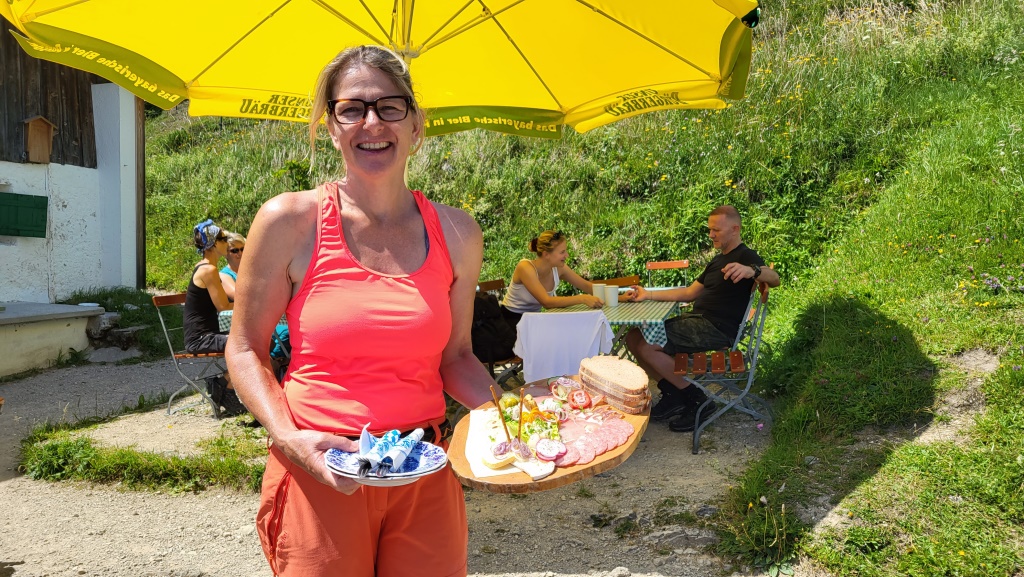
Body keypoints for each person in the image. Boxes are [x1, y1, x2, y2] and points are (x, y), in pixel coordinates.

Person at [224, 45, 493, 577]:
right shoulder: (289, 221)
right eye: (352, 109)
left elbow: (457, 358)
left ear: (416, 125)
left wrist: (516, 419)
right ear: (331, 126)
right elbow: (245, 348)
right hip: (321, 468)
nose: (372, 122)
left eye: (390, 106)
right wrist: (289, 439)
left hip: (423, 472)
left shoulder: (458, 232)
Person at [624, 205, 780, 433]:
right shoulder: (717, 261)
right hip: (698, 322)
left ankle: (698, 400)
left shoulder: (745, 256)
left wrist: (753, 271)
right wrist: (647, 294)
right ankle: (674, 395)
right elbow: (689, 293)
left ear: (735, 229)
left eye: (716, 230)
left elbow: (774, 278)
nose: (711, 235)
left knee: (647, 346)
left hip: (715, 328)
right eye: (710, 229)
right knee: (633, 336)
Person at [184, 219, 247, 417]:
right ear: (213, 244)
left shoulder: (206, 267)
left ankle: (222, 384)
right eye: (222, 239)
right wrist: (252, 305)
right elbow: (223, 306)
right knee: (249, 344)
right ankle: (224, 386)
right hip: (201, 339)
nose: (226, 242)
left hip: (207, 334)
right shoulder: (208, 270)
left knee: (254, 340)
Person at [499, 229, 622, 327]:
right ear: (546, 254)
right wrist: (582, 298)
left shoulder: (559, 268)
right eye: (562, 252)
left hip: (533, 320)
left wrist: (619, 297)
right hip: (509, 323)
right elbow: (547, 302)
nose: (567, 255)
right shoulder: (525, 267)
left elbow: (587, 286)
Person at [218, 231, 246, 302]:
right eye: (235, 250)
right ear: (226, 254)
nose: (240, 253)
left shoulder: (250, 271)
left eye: (242, 249)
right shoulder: (223, 275)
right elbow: (239, 297)